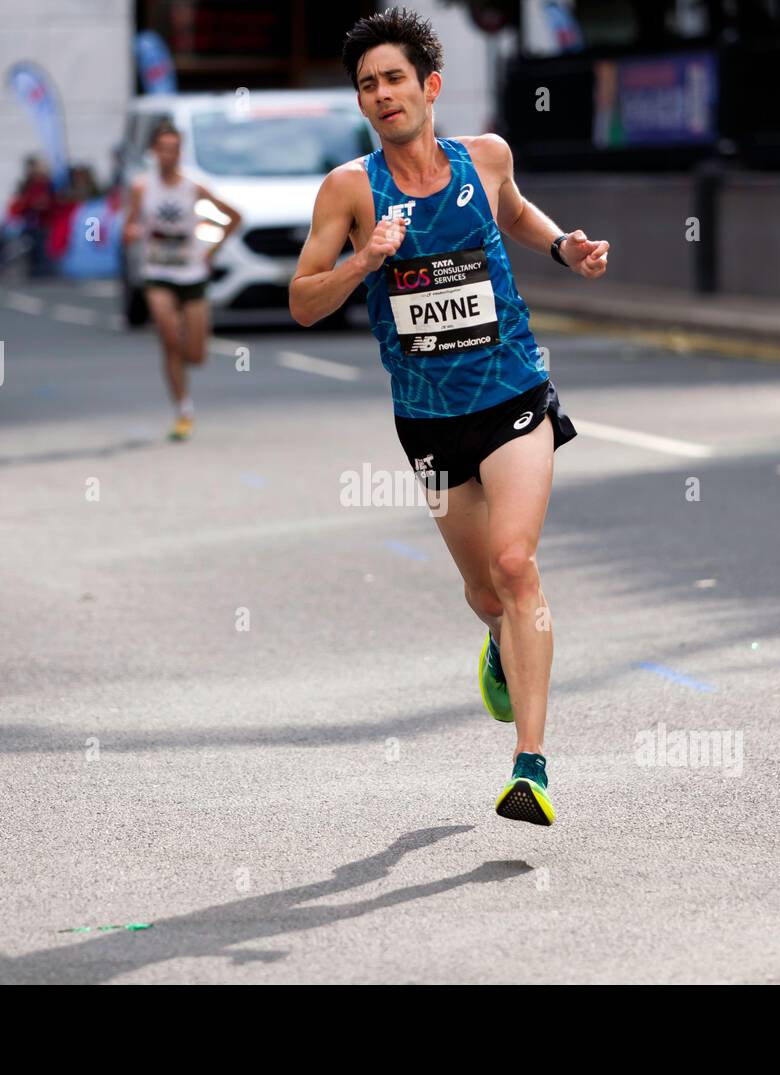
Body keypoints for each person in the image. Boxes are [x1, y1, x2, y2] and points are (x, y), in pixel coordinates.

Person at [289, 8, 608, 825]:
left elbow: (513, 211)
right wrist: (366, 259)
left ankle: (530, 767)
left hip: (512, 392)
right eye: (368, 85)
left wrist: (565, 246)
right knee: (483, 592)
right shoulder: (350, 190)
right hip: (427, 420)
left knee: (514, 564)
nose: (383, 94)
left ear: (430, 87)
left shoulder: (486, 157)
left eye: (395, 78)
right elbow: (301, 300)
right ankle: (500, 648)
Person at [124, 122, 241, 441]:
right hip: (157, 272)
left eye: (174, 149)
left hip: (191, 272)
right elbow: (128, 227)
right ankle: (184, 410)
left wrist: (211, 252)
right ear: (153, 152)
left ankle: (188, 354)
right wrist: (132, 234)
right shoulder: (141, 187)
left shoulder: (194, 186)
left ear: (180, 152)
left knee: (196, 355)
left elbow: (234, 217)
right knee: (168, 336)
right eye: (162, 149)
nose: (168, 155)